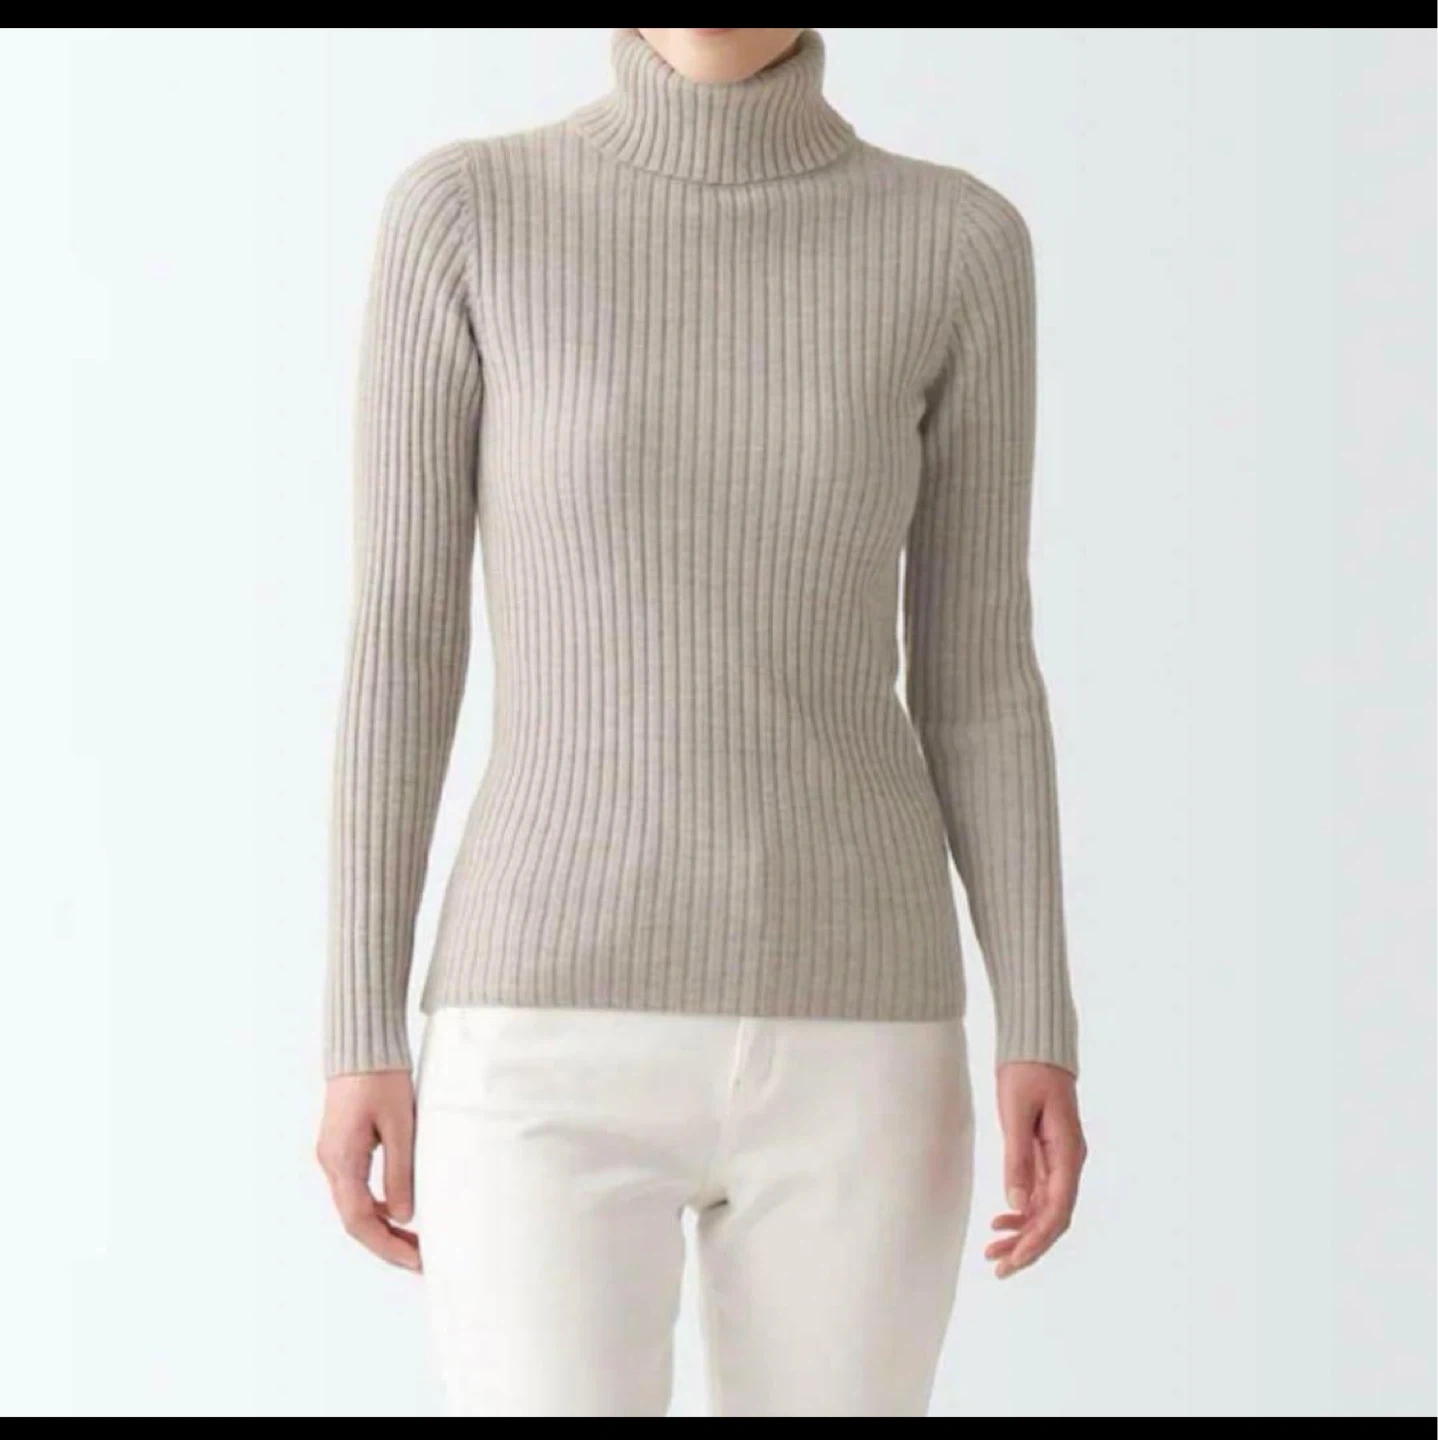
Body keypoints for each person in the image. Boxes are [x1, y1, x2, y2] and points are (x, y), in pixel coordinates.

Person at [316, 26, 1086, 1418]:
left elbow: (978, 666)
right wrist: (356, 1026)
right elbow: (402, 641)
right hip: (536, 1033)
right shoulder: (469, 214)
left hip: (860, 1039)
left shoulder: (956, 242)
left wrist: (1038, 1015)